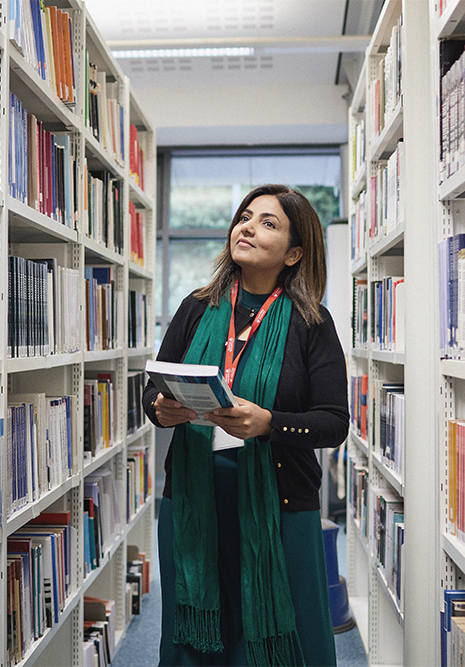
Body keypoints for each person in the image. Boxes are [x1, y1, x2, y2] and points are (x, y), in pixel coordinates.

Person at [143, 184, 349, 666]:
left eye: (268, 223)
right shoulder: (197, 306)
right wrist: (160, 407)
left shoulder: (312, 323)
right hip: (194, 498)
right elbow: (152, 386)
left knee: (285, 635)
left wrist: (269, 424)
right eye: (245, 217)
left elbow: (333, 423)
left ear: (295, 253)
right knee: (193, 633)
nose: (248, 227)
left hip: (277, 503)